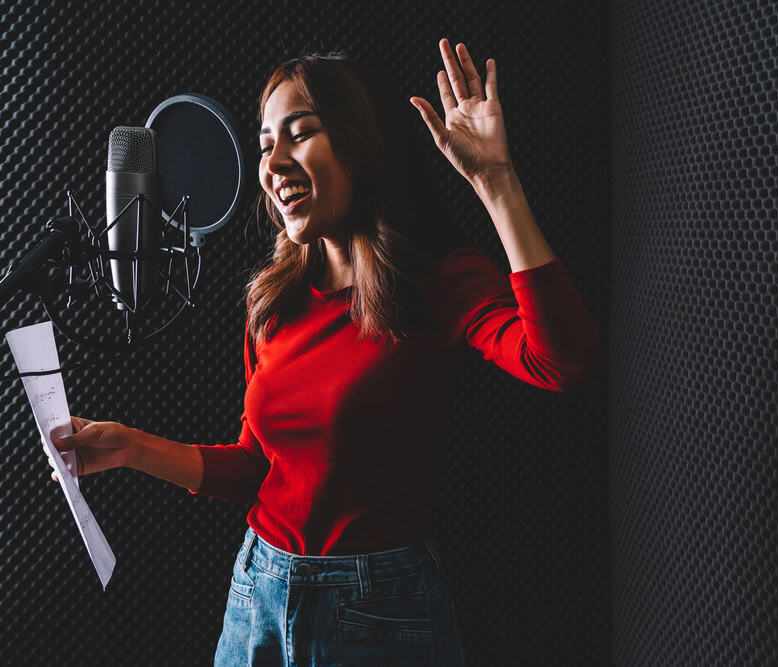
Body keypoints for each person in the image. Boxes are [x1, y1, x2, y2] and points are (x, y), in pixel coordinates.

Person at [48, 38, 605, 666]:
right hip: (256, 593)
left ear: (359, 144)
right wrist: (130, 447)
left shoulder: (437, 281)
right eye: (266, 145)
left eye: (300, 133)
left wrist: (495, 182)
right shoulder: (271, 301)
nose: (274, 163)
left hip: (380, 609)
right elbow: (256, 468)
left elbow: (565, 362)